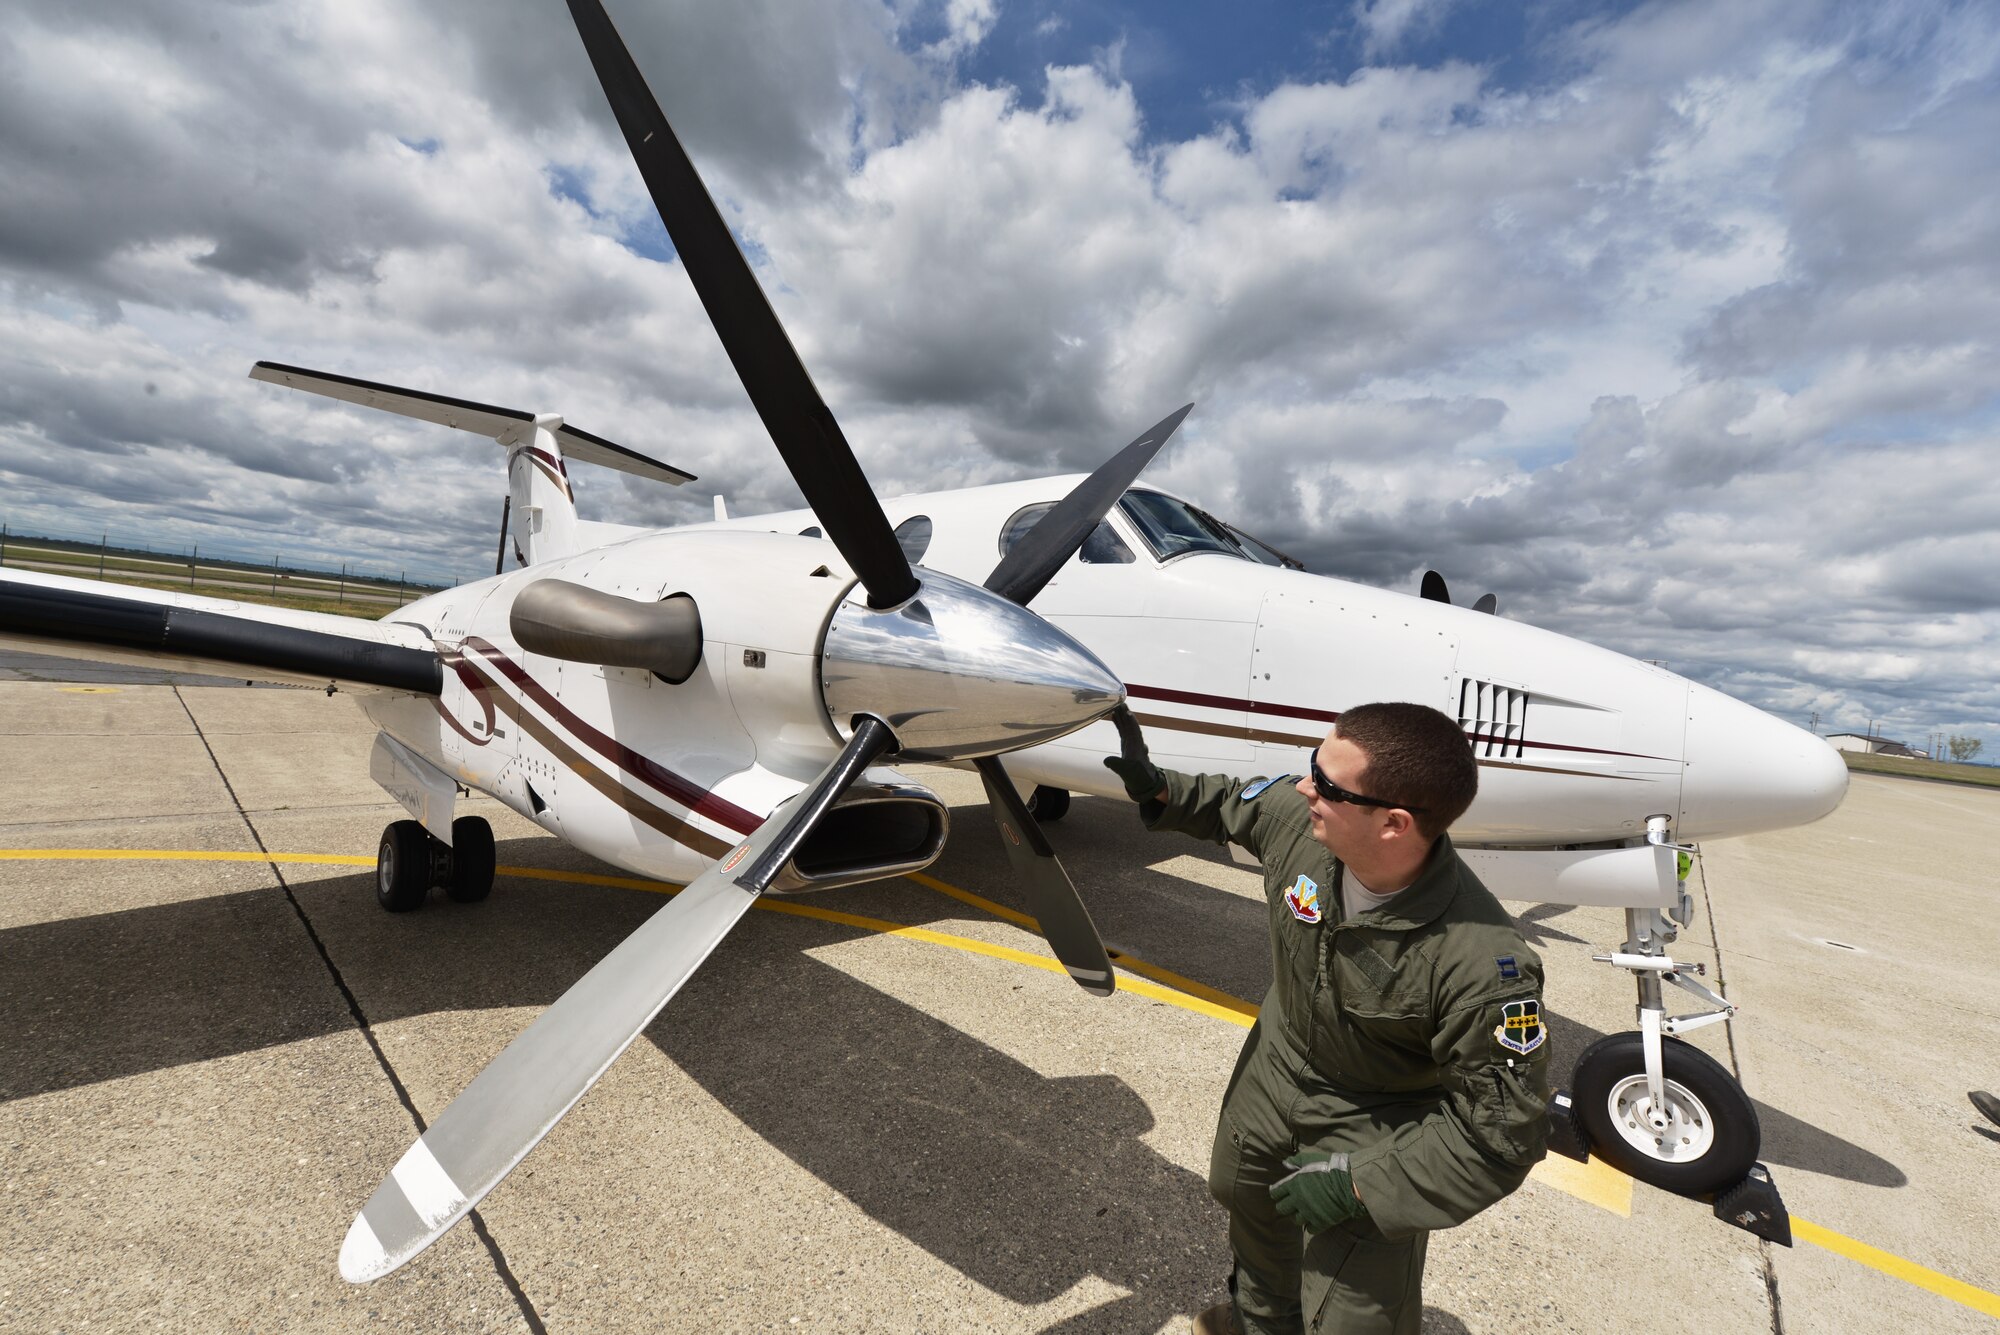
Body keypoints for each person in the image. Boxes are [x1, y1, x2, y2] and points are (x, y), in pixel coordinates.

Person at [1103, 701, 1550, 1335]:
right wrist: (1163, 789)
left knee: (1356, 1315)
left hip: (1374, 1125)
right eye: (1312, 765)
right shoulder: (1301, 822)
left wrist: (1363, 1185)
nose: (1307, 785)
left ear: (1393, 823)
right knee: (1250, 1216)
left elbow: (1503, 1135)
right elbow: (1238, 802)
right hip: (1272, 1075)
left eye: (1330, 783)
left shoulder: (1482, 968)